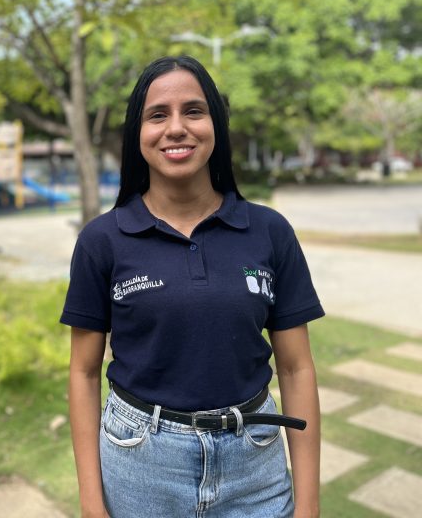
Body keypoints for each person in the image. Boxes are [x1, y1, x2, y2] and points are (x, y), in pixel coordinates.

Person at [61, 55, 324, 518]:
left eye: (194, 111)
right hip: (140, 463)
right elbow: (83, 374)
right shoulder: (102, 241)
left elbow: (297, 369)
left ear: (216, 126)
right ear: (136, 134)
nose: (176, 128)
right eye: (157, 115)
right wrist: (90, 501)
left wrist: (308, 505)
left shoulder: (268, 231)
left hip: (255, 463)